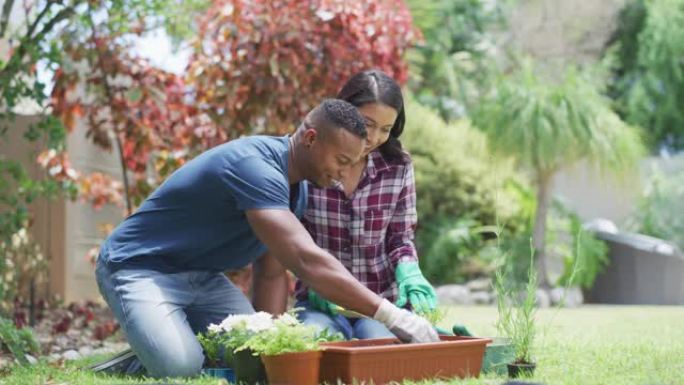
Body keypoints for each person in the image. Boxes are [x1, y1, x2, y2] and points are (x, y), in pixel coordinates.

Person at [93, 99, 439, 378]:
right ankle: (150, 354)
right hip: (139, 268)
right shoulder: (254, 167)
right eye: (341, 160)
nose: (343, 174)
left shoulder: (298, 189)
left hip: (203, 278)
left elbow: (272, 271)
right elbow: (306, 261)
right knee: (180, 368)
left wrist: (271, 341)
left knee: (253, 358)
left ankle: (162, 342)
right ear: (310, 139)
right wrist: (395, 316)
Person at [294, 70, 439, 340]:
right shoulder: (312, 161)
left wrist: (409, 271)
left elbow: (400, 238)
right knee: (316, 347)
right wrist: (313, 279)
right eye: (367, 123)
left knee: (378, 350)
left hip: (380, 304)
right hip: (320, 303)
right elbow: (290, 236)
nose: (373, 138)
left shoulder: (398, 167)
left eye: (385, 129)